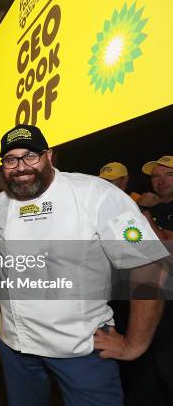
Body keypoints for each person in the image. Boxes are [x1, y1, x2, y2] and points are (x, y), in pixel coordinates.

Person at [0, 124, 169, 406]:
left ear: (49, 156)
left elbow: (150, 265)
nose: (21, 167)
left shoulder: (96, 194)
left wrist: (134, 344)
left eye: (30, 155)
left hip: (81, 349)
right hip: (15, 346)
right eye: (11, 159)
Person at [119, 155, 173, 405]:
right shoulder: (147, 205)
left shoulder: (146, 209)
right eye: (156, 175)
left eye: (168, 174)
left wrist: (143, 213)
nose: (160, 181)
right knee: (142, 383)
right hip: (144, 306)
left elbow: (164, 246)